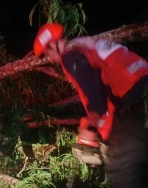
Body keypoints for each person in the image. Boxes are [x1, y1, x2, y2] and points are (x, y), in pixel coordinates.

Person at [33, 23, 148, 187]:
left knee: (121, 169)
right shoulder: (86, 47)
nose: (50, 58)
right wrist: (105, 131)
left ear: (54, 44)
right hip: (139, 95)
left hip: (138, 99)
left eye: (48, 52)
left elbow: (92, 90)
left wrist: (92, 126)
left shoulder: (70, 56)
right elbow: (108, 96)